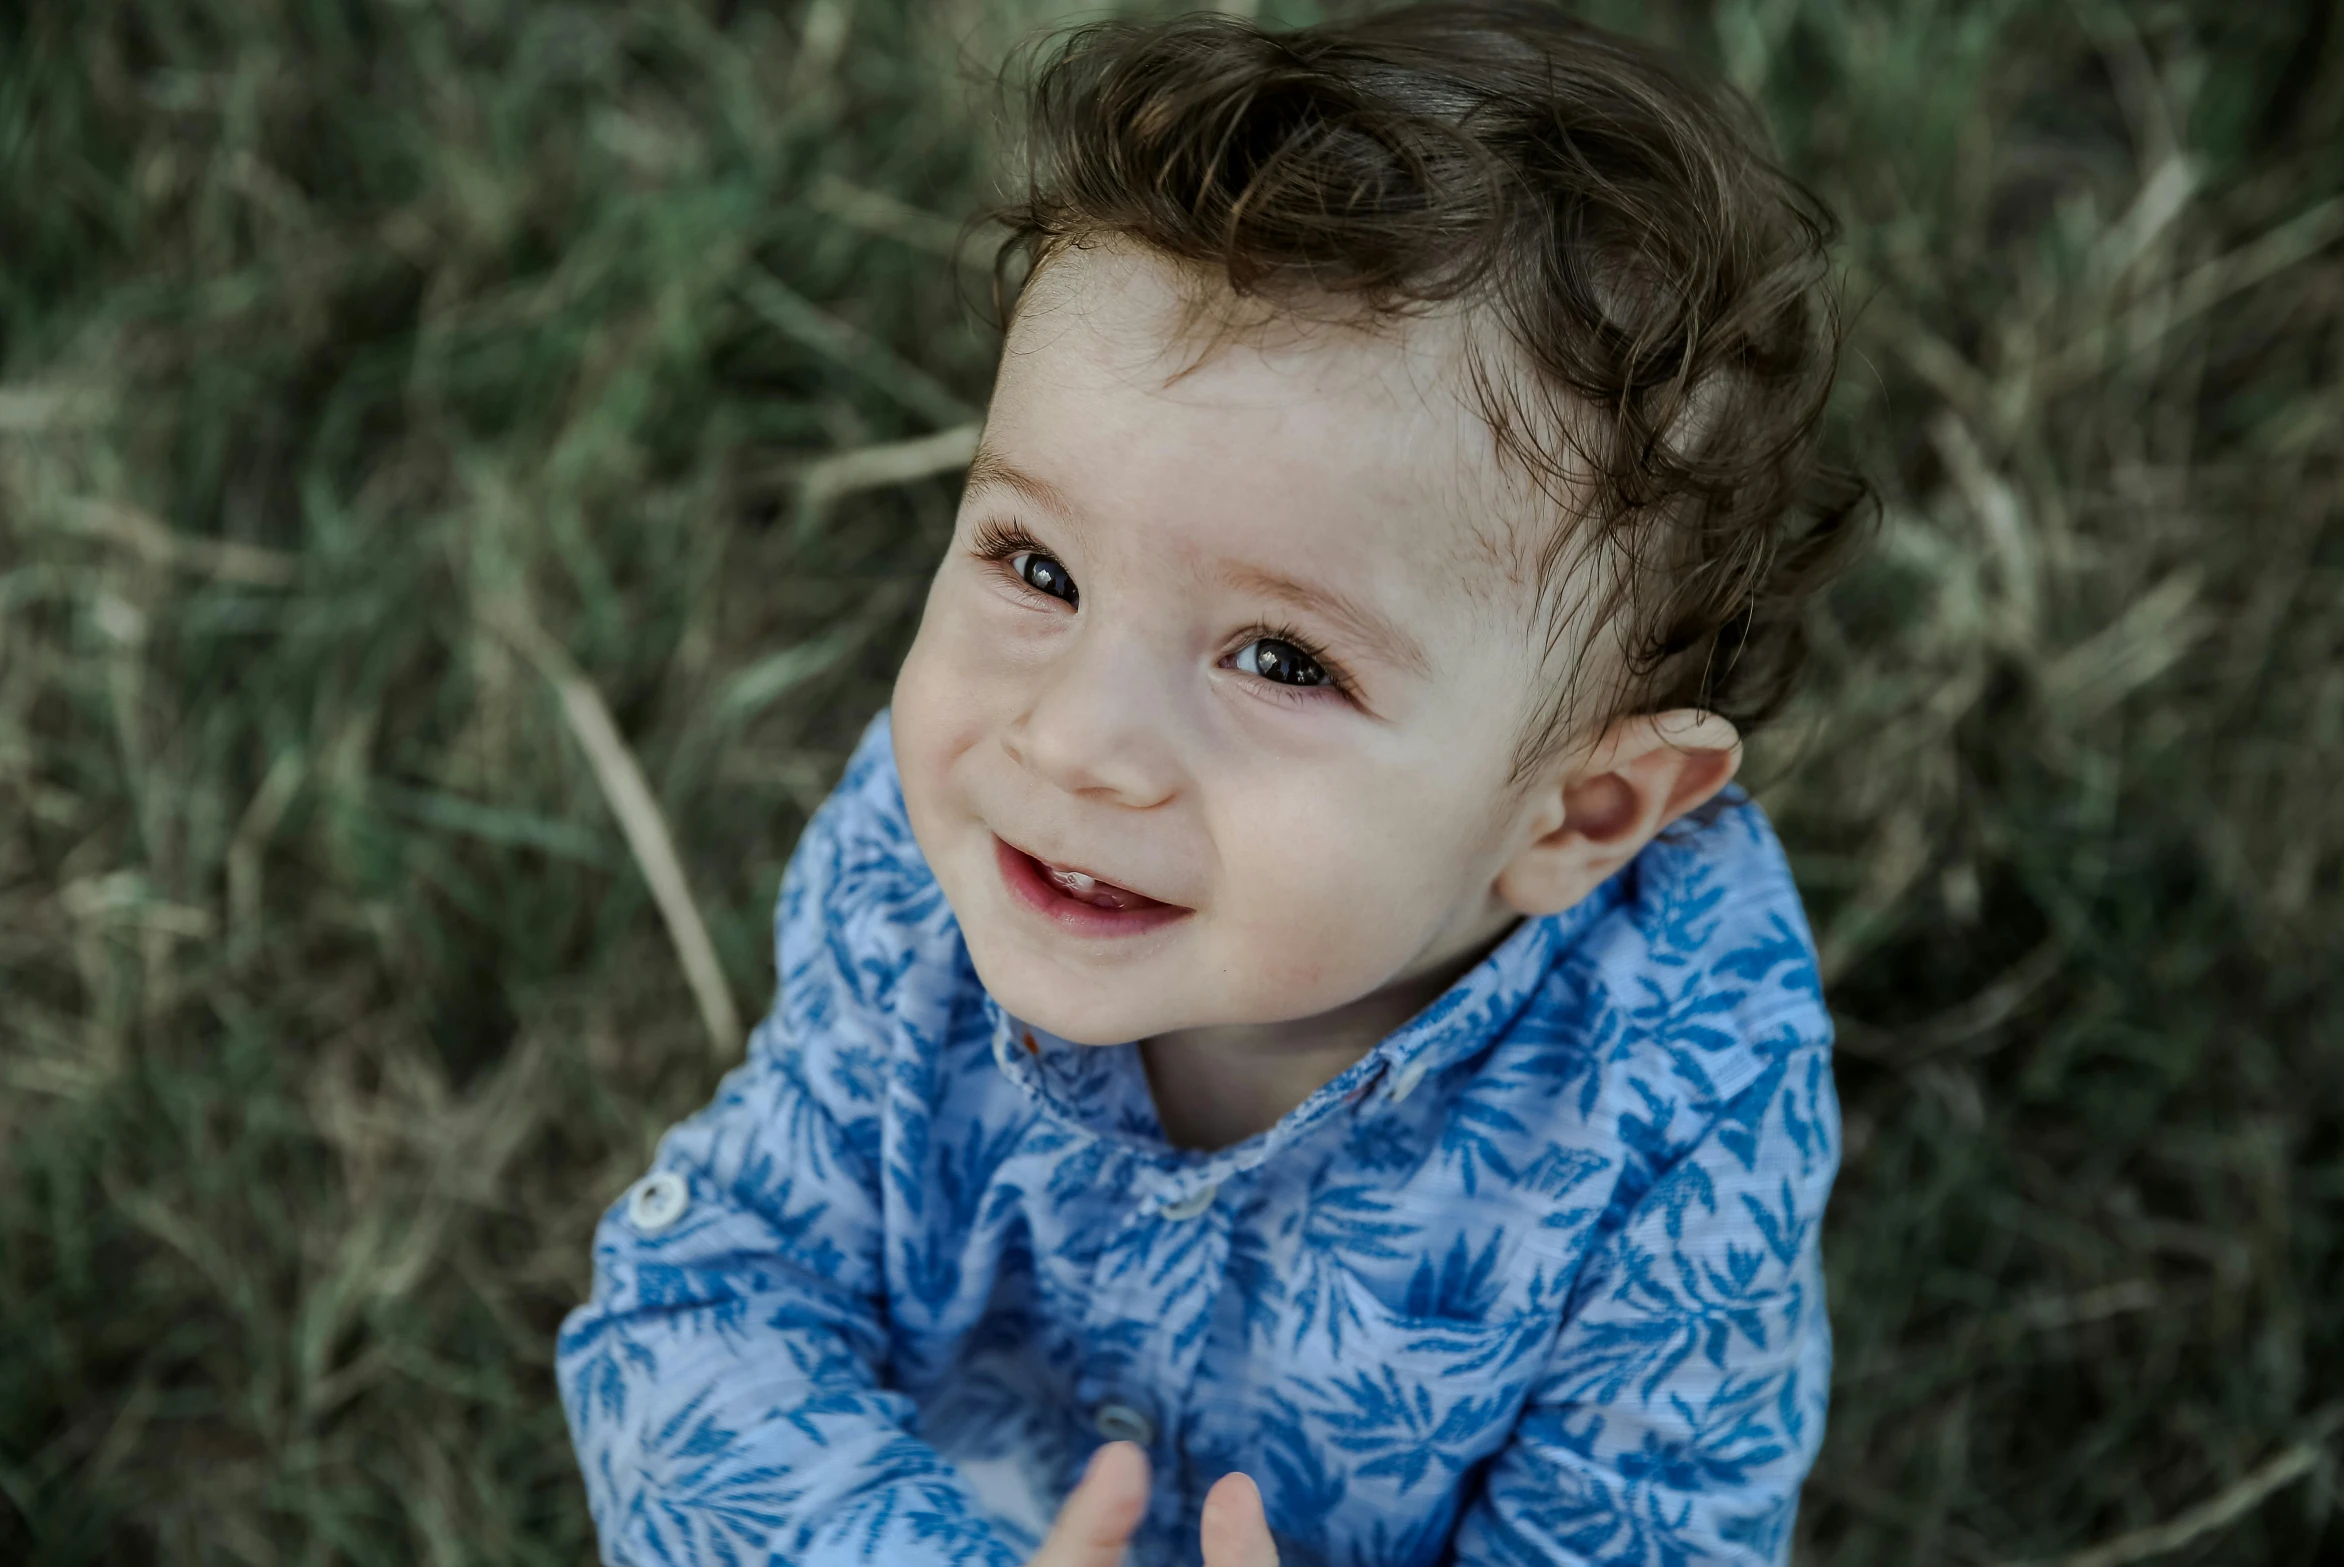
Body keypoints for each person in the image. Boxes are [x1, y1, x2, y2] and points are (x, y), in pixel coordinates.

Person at [557, 4, 1866, 1563]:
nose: (1072, 738)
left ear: (1577, 816)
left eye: (1282, 661)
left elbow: (1642, 1535)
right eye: (1037, 565)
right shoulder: (928, 862)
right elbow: (701, 1300)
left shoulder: (1676, 1107)